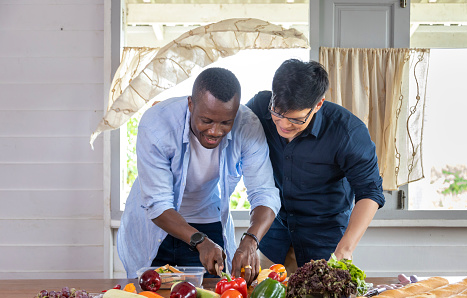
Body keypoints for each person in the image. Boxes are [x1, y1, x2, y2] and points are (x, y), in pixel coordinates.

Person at [118, 67, 280, 285]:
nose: (215, 131)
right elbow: (158, 204)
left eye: (225, 123)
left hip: (208, 222)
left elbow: (264, 193)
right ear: (190, 104)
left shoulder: (248, 125)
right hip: (157, 226)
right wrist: (199, 241)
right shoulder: (157, 124)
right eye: (206, 120)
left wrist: (251, 240)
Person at [246, 59, 385, 273]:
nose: (283, 125)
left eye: (296, 120)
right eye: (277, 113)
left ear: (318, 105)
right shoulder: (258, 108)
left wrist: (344, 250)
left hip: (325, 245)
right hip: (273, 240)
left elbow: (370, 192)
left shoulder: (347, 132)